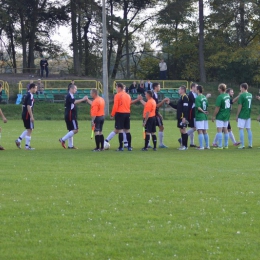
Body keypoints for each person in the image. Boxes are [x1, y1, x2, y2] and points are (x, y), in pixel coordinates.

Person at [59, 85, 87, 149]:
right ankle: (62, 139)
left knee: (71, 130)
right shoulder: (69, 95)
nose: (76, 90)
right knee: (76, 130)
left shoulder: (70, 95)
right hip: (71, 115)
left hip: (68, 114)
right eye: (75, 89)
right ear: (71, 89)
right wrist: (83, 99)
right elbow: (74, 102)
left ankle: (70, 146)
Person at [110, 83, 134, 151]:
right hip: (127, 113)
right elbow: (129, 105)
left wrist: (112, 114)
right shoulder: (128, 95)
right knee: (127, 130)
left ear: (119, 88)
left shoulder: (117, 95)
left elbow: (115, 106)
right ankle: (129, 146)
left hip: (120, 113)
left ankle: (121, 147)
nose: (116, 89)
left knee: (120, 130)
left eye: (116, 87)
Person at [15, 83, 37, 150]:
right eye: (35, 88)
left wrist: (23, 113)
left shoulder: (25, 94)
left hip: (24, 114)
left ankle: (19, 140)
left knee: (28, 129)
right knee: (30, 129)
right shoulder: (30, 95)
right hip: (28, 114)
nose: (36, 90)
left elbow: (22, 105)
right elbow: (28, 106)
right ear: (32, 88)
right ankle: (27, 146)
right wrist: (31, 116)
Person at [166, 85, 189, 150]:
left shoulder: (185, 97)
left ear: (183, 90)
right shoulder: (181, 97)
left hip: (182, 117)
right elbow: (177, 107)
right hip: (180, 117)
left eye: (179, 89)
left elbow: (185, 108)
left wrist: (184, 117)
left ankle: (185, 146)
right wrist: (169, 103)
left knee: (183, 130)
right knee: (181, 130)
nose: (178, 91)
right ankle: (183, 145)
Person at [212, 83, 230, 149]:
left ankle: (220, 145)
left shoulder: (220, 97)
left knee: (219, 130)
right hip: (226, 115)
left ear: (220, 89)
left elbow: (217, 108)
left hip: (220, 115)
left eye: (218, 88)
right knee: (225, 129)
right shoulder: (228, 95)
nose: (218, 89)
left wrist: (214, 115)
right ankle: (226, 145)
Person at [151, 82, 169, 148]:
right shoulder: (153, 94)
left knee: (160, 127)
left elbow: (156, 107)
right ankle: (159, 144)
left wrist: (159, 113)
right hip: (153, 114)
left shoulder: (155, 94)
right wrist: (163, 100)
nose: (160, 88)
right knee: (153, 129)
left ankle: (160, 144)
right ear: (155, 87)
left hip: (156, 113)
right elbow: (157, 105)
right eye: (159, 86)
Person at [236, 83, 253, 149]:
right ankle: (250, 144)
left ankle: (242, 145)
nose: (240, 89)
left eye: (240, 88)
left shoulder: (242, 95)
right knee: (248, 129)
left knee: (241, 129)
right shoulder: (250, 95)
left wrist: (237, 115)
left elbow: (240, 105)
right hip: (248, 114)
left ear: (243, 88)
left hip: (242, 114)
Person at [195, 85, 209, 150]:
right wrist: (205, 112)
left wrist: (203, 111)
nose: (195, 90)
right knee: (205, 131)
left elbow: (198, 107)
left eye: (196, 89)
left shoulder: (197, 98)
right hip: (205, 116)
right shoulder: (204, 97)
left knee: (200, 131)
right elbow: (207, 105)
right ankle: (207, 146)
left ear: (198, 90)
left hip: (200, 116)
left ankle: (201, 146)